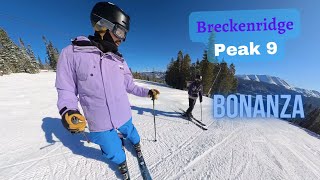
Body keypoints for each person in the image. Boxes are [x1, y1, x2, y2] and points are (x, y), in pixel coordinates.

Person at [55, 2, 160, 179]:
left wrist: (147, 92)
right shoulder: (72, 53)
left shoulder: (119, 61)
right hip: (99, 123)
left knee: (132, 133)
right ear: (102, 25)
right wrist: (69, 110)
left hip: (123, 114)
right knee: (113, 151)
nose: (122, 39)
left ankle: (136, 145)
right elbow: (66, 88)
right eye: (120, 32)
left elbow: (130, 86)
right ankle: (121, 163)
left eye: (124, 34)